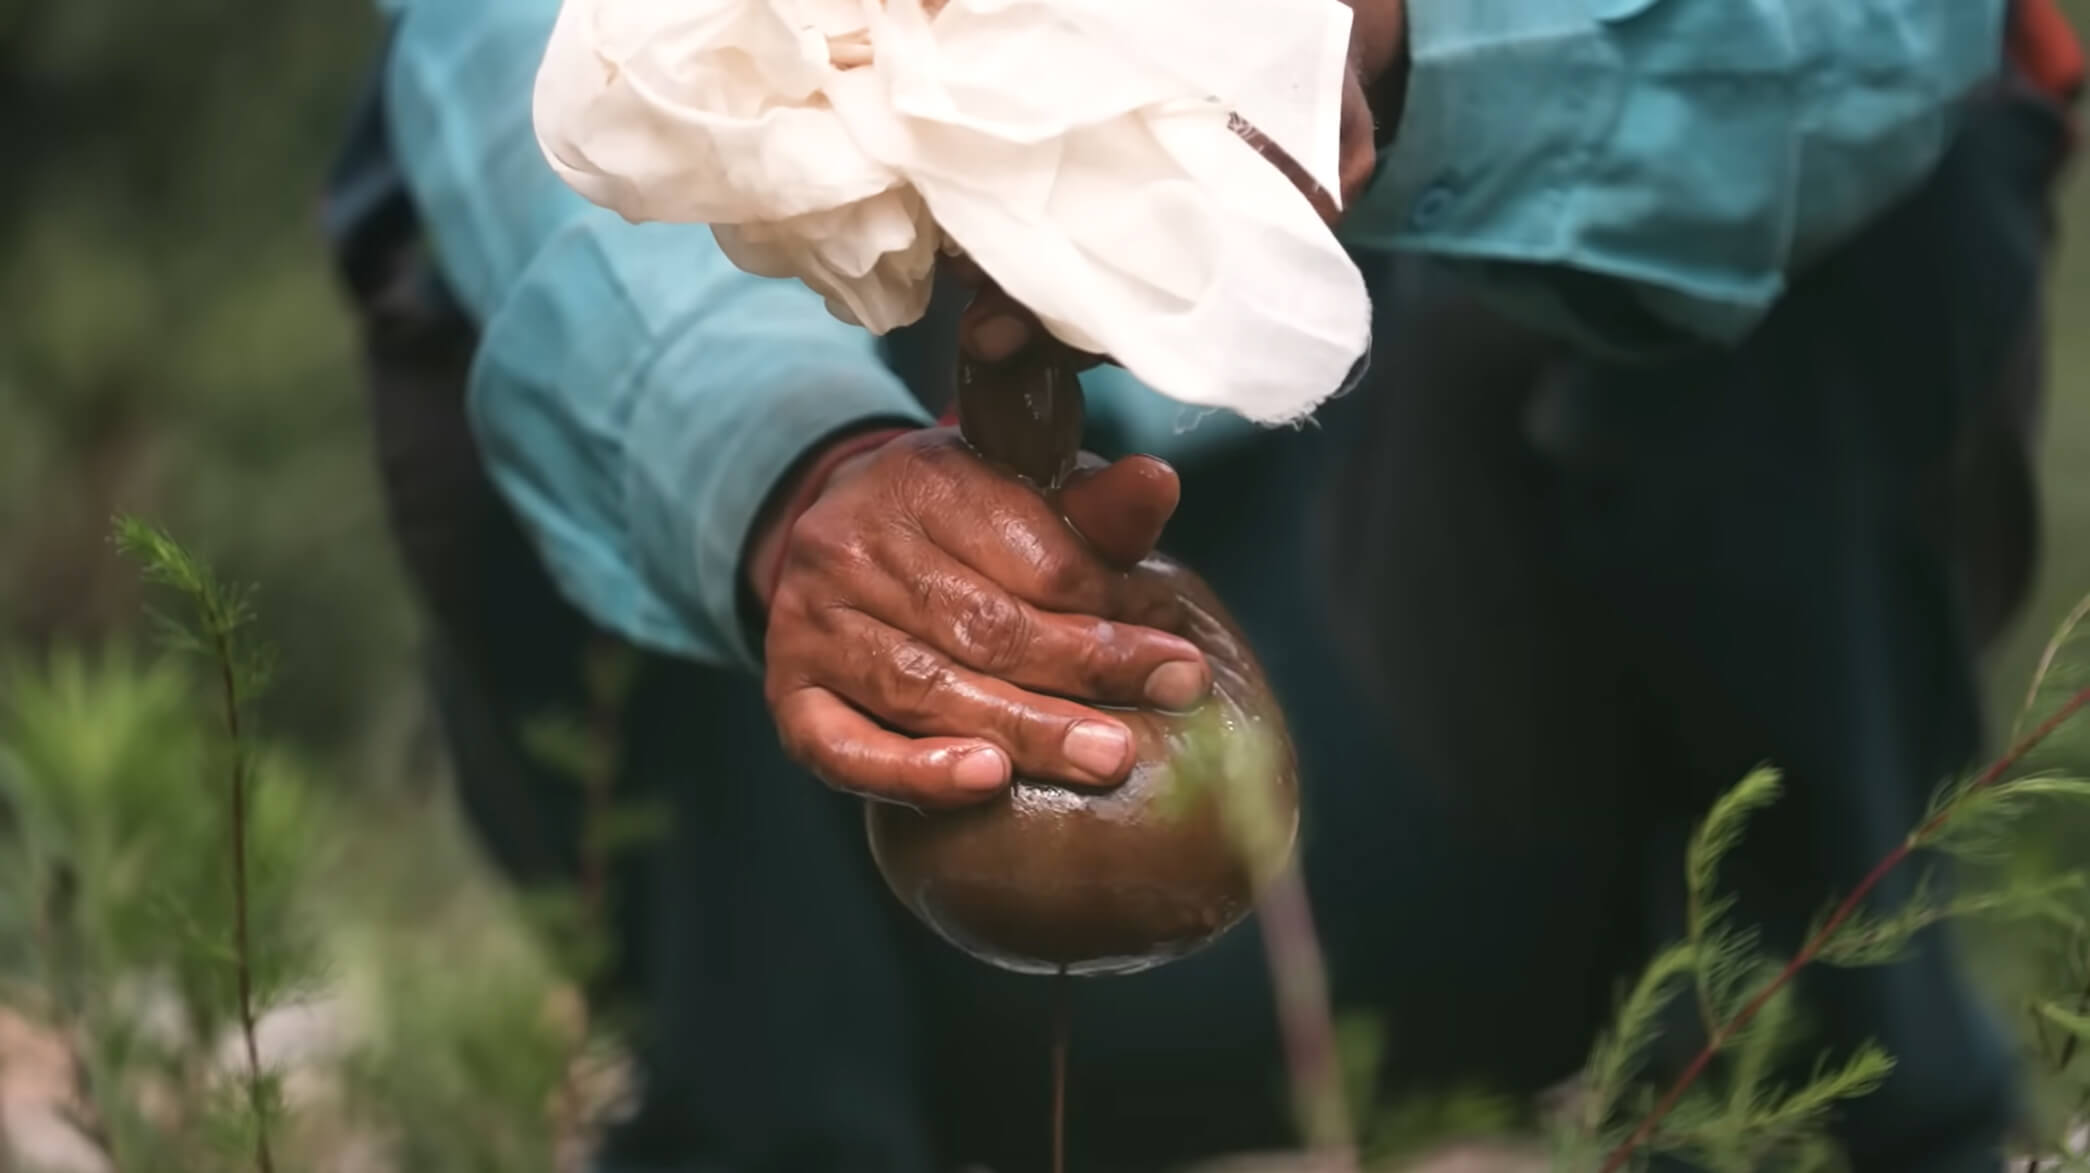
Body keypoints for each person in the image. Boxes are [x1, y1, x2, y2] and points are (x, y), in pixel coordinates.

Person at [324, 0, 2082, 1169]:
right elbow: (502, 66)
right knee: (532, 203)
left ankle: (1809, 1097)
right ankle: (769, 1130)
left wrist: (1410, 45)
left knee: (1894, 151)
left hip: (1442, 702)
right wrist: (790, 478)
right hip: (833, 847)